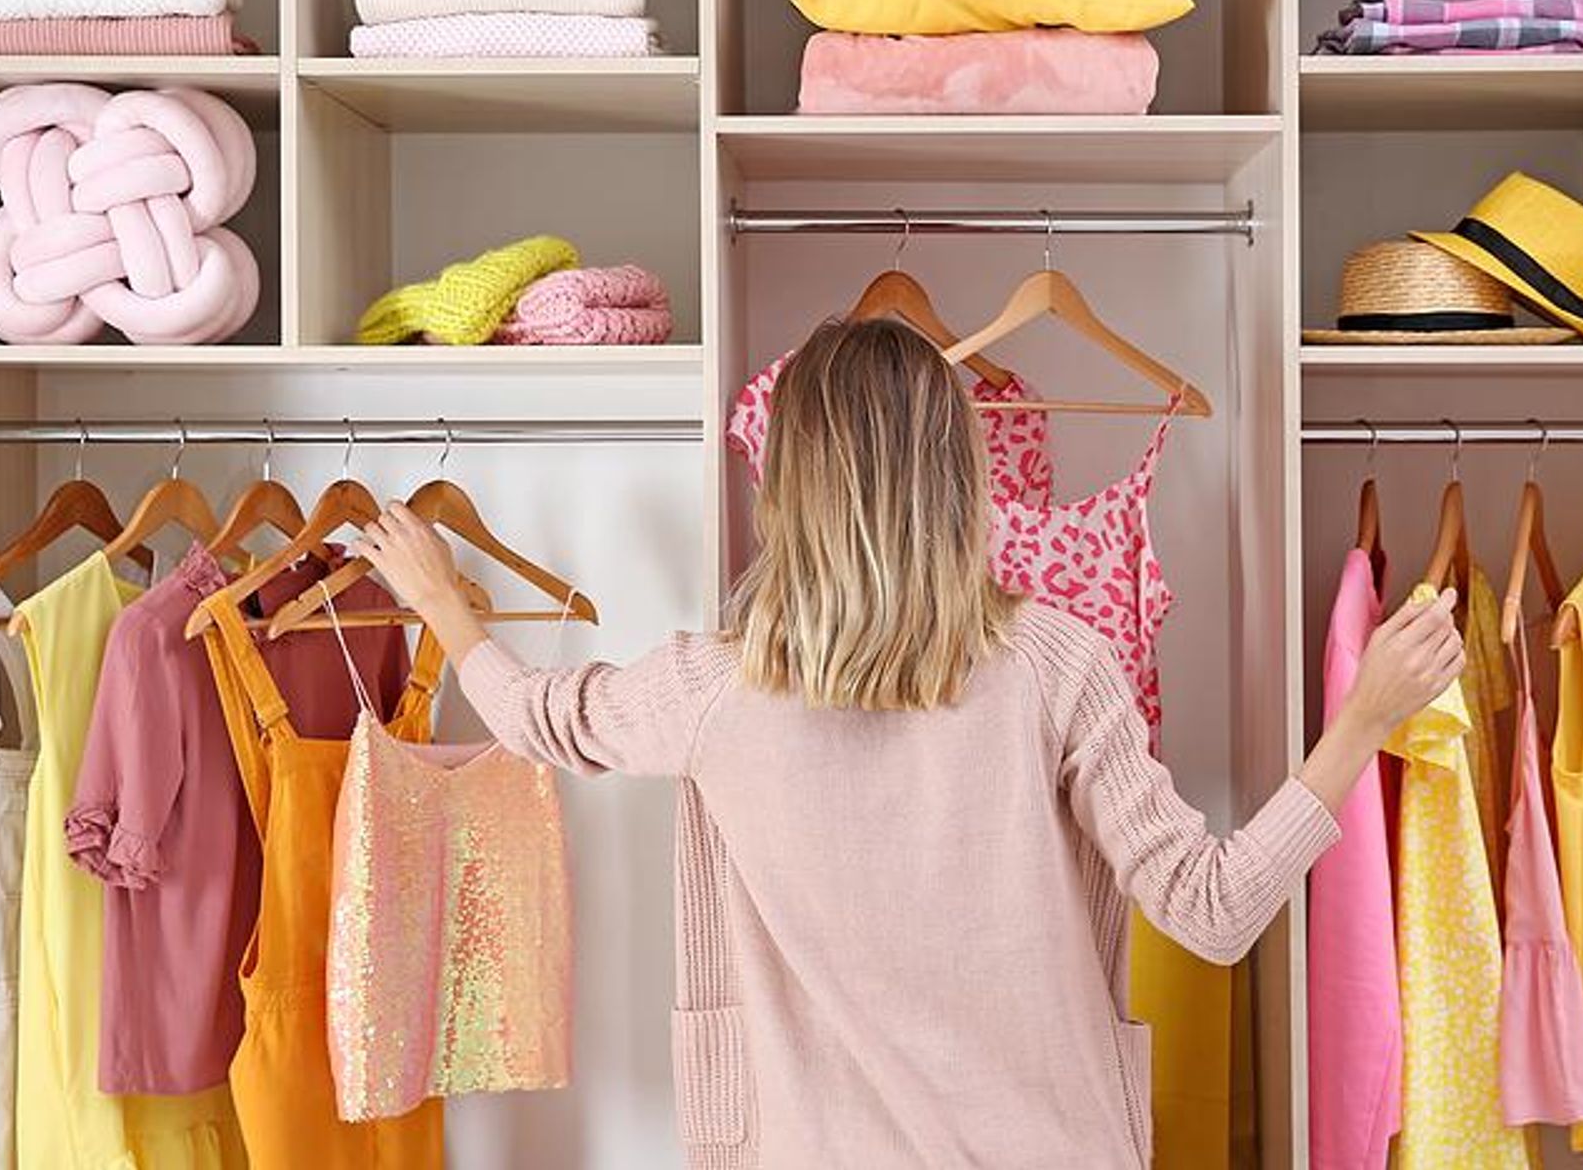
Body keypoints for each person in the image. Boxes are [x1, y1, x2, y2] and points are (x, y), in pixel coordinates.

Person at [353, 317, 1464, 1169]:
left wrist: (448, 608)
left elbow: (538, 715)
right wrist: (1359, 720)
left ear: (788, 485)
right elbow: (1212, 912)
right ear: (958, 477)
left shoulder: (709, 688)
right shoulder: (1055, 666)